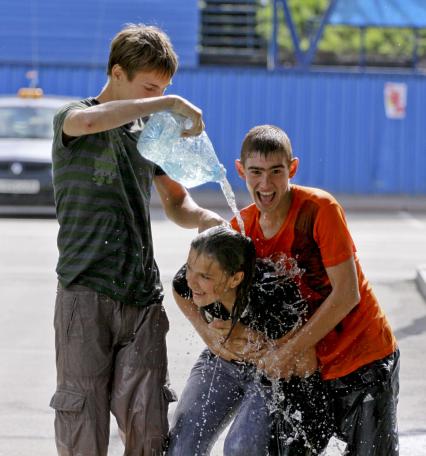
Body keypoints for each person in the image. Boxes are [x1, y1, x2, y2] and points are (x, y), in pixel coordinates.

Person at [49, 24, 223, 456]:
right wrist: (169, 102)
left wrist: (206, 220)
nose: (155, 99)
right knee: (82, 430)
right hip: (84, 294)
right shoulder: (73, 119)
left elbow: (177, 204)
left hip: (141, 299)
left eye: (163, 89)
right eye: (149, 87)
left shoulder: (149, 135)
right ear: (116, 72)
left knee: (147, 430)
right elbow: (90, 121)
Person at [227, 124, 399, 455]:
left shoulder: (319, 209)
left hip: (363, 359)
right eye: (256, 172)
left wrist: (287, 351)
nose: (265, 184)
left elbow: (347, 294)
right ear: (240, 170)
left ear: (292, 168)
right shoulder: (242, 227)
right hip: (307, 371)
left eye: (276, 171)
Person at [167, 225, 333, 456]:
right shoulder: (189, 280)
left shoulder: (272, 299)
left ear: (236, 278)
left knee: (241, 447)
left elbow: (304, 364)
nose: (192, 281)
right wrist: (210, 337)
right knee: (182, 446)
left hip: (273, 373)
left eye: (205, 276)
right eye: (190, 269)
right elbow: (179, 290)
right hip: (224, 359)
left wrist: (261, 345)